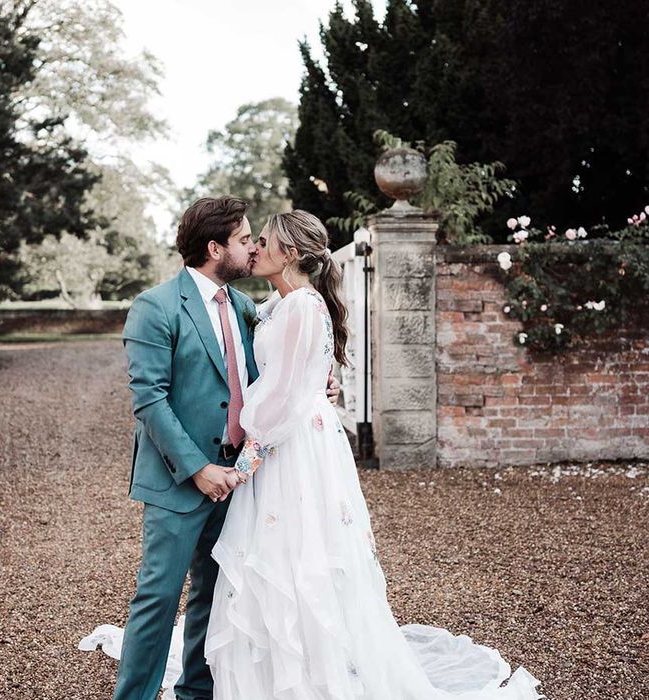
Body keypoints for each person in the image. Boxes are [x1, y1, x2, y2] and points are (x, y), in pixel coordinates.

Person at [203, 210, 544, 699]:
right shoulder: (283, 305)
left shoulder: (301, 305)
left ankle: (309, 673)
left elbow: (282, 397)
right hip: (295, 434)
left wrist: (247, 458)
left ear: (290, 253)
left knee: (299, 555)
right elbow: (295, 377)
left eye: (263, 240)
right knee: (286, 555)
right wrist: (318, 387)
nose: (254, 247)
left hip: (292, 446)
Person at [110, 197, 339, 700]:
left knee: (215, 596)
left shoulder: (242, 307)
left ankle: (198, 692)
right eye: (243, 240)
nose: (252, 247)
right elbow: (148, 399)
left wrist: (315, 388)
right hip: (179, 482)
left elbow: (276, 372)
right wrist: (197, 469)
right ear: (215, 248)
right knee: (158, 598)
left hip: (241, 480)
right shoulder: (155, 306)